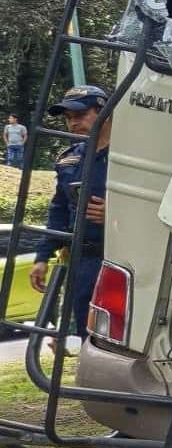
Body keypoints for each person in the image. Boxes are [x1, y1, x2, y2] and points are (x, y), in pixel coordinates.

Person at [29, 86, 111, 350]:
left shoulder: (129, 157)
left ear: (105, 113)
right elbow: (59, 210)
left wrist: (116, 212)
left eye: (80, 114)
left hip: (121, 255)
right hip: (82, 258)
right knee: (88, 335)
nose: (73, 122)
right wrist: (42, 257)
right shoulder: (69, 158)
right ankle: (91, 384)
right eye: (67, 117)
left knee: (117, 334)